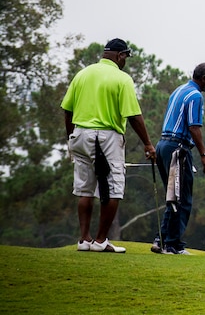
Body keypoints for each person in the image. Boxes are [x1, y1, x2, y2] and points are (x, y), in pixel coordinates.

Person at [61, 38, 156, 253]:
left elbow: (67, 110)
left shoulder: (82, 74)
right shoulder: (122, 79)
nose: (125, 62)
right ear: (120, 55)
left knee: (85, 189)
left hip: (80, 135)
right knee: (113, 189)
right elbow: (133, 115)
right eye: (125, 58)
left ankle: (84, 239)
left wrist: (71, 138)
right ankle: (100, 241)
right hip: (106, 136)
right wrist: (148, 144)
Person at [151, 63, 205, 255]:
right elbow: (194, 127)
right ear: (204, 78)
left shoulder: (179, 90)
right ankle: (173, 245)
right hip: (178, 147)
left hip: (163, 145)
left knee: (173, 196)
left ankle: (161, 240)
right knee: (182, 198)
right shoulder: (195, 96)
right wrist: (204, 155)